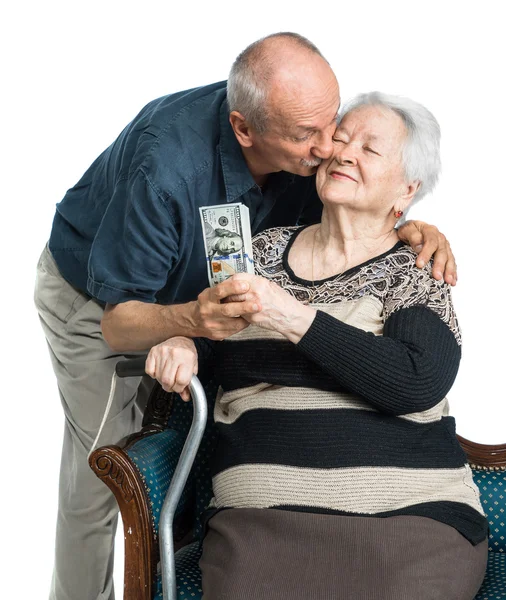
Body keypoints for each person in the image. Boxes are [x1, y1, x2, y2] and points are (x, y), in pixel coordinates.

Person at [34, 32, 457, 600]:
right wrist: (187, 325)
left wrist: (410, 225)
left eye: (335, 122)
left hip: (214, 305)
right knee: (105, 470)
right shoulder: (168, 168)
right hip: (102, 297)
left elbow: (358, 231)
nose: (331, 146)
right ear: (244, 129)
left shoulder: (312, 151)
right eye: (313, 135)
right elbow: (119, 320)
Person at [146, 92, 487, 599]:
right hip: (259, 525)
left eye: (370, 150)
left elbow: (417, 380)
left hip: (409, 520)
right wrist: (182, 341)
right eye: (341, 139)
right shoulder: (257, 252)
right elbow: (212, 335)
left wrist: (288, 314)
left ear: (407, 189)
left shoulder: (413, 268)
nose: (345, 153)